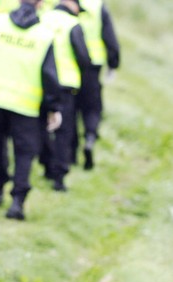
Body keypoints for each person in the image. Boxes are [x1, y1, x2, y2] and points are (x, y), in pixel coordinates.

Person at [0, 0, 62, 220]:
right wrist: (53, 107)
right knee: (24, 154)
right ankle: (17, 202)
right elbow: (49, 76)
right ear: (40, 4)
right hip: (26, 107)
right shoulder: (44, 35)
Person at [40, 0, 91, 191]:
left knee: (41, 126)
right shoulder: (73, 24)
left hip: (42, 82)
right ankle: (58, 177)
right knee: (63, 132)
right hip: (65, 86)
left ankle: (45, 165)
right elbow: (84, 58)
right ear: (72, 4)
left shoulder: (42, 17)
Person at [74, 0, 119, 170]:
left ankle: (71, 154)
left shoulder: (65, 3)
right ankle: (90, 137)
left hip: (68, 64)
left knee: (71, 110)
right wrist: (113, 64)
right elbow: (110, 38)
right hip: (92, 67)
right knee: (92, 108)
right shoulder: (98, 6)